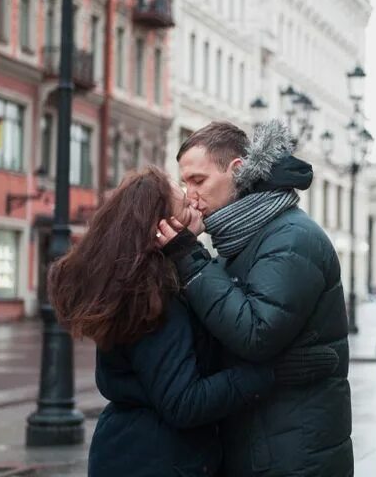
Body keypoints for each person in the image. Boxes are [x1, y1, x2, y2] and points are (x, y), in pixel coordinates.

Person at [48, 165, 339, 477]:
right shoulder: (152, 296)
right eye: (185, 203)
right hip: (153, 460)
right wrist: (271, 373)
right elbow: (184, 402)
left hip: (143, 452)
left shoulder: (150, 282)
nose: (196, 202)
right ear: (162, 227)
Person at [157, 120, 353, 477]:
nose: (189, 194)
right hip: (263, 439)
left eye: (198, 180)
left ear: (236, 171)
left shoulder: (290, 238)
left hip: (293, 451)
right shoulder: (241, 238)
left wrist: (190, 259)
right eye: (185, 182)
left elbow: (255, 333)